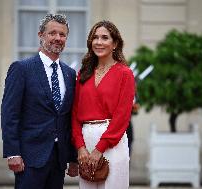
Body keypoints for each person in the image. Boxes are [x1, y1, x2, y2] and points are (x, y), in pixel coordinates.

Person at [1, 14, 78, 189]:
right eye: (52, 33)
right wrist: (13, 152)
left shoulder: (69, 74)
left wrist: (73, 158)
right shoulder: (21, 69)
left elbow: (69, 119)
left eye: (62, 34)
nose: (58, 38)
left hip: (58, 160)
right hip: (29, 158)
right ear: (41, 35)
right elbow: (9, 114)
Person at [71, 20, 135, 189]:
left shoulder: (125, 74)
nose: (99, 42)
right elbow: (75, 113)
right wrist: (80, 147)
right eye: (95, 37)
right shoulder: (83, 73)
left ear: (115, 44)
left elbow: (122, 116)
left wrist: (99, 149)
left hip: (112, 142)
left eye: (105, 38)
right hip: (85, 141)